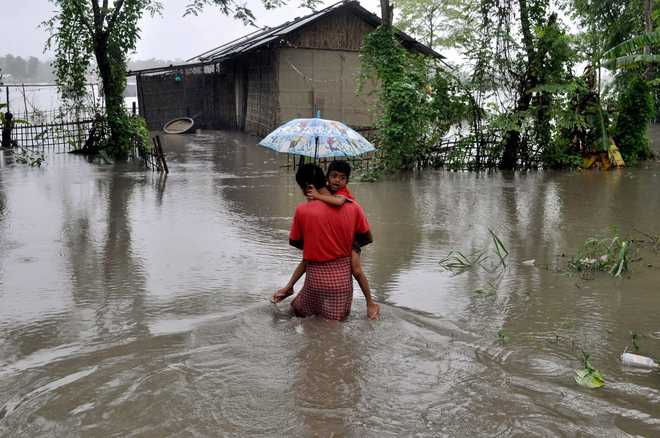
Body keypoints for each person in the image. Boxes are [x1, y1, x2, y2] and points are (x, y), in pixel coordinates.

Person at [273, 160, 379, 320]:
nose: (337, 180)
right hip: (341, 283)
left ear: (307, 187)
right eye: (334, 176)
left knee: (300, 316)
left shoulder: (302, 210)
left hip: (314, 280)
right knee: (335, 328)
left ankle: (288, 288)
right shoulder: (354, 206)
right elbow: (366, 237)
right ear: (325, 179)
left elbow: (296, 242)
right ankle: (370, 304)